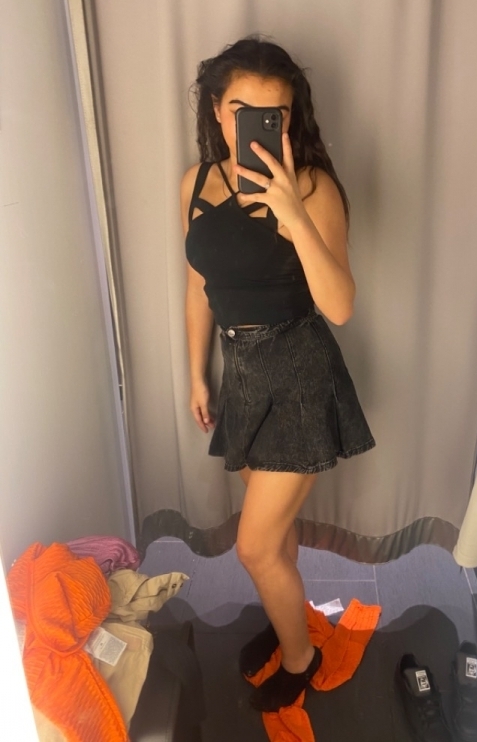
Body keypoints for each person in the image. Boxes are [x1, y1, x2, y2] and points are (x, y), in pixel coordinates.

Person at [180, 36, 375, 712]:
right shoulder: (196, 182)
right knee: (276, 540)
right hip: (241, 375)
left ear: (291, 119)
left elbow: (340, 306)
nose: (258, 125)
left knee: (255, 547)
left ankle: (301, 657)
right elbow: (198, 284)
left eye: (276, 114)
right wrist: (198, 374)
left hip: (298, 375)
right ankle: (287, 616)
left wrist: (291, 210)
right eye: (240, 110)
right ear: (216, 109)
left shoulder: (314, 187)